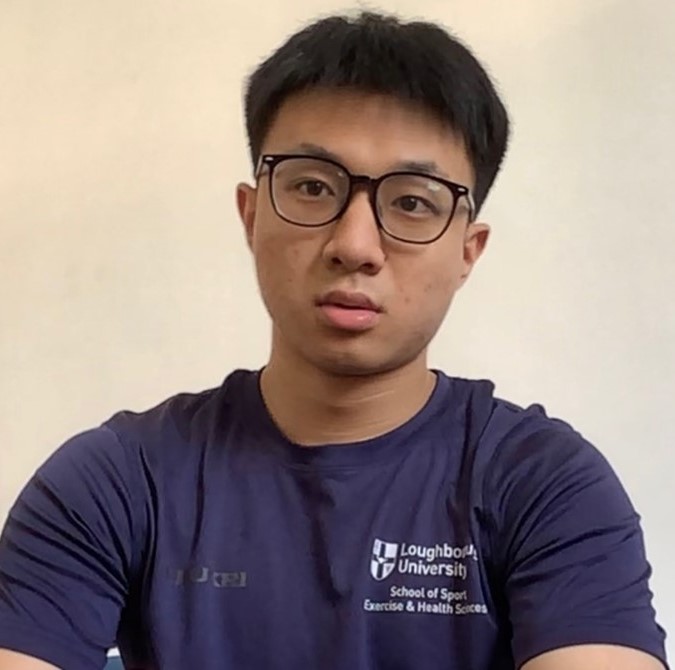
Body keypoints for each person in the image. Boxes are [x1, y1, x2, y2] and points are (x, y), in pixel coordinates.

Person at [0, 10, 668, 670]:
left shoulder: (545, 485)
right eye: (314, 187)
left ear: (468, 250)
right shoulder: (119, 481)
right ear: (251, 214)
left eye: (412, 202)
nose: (354, 245)